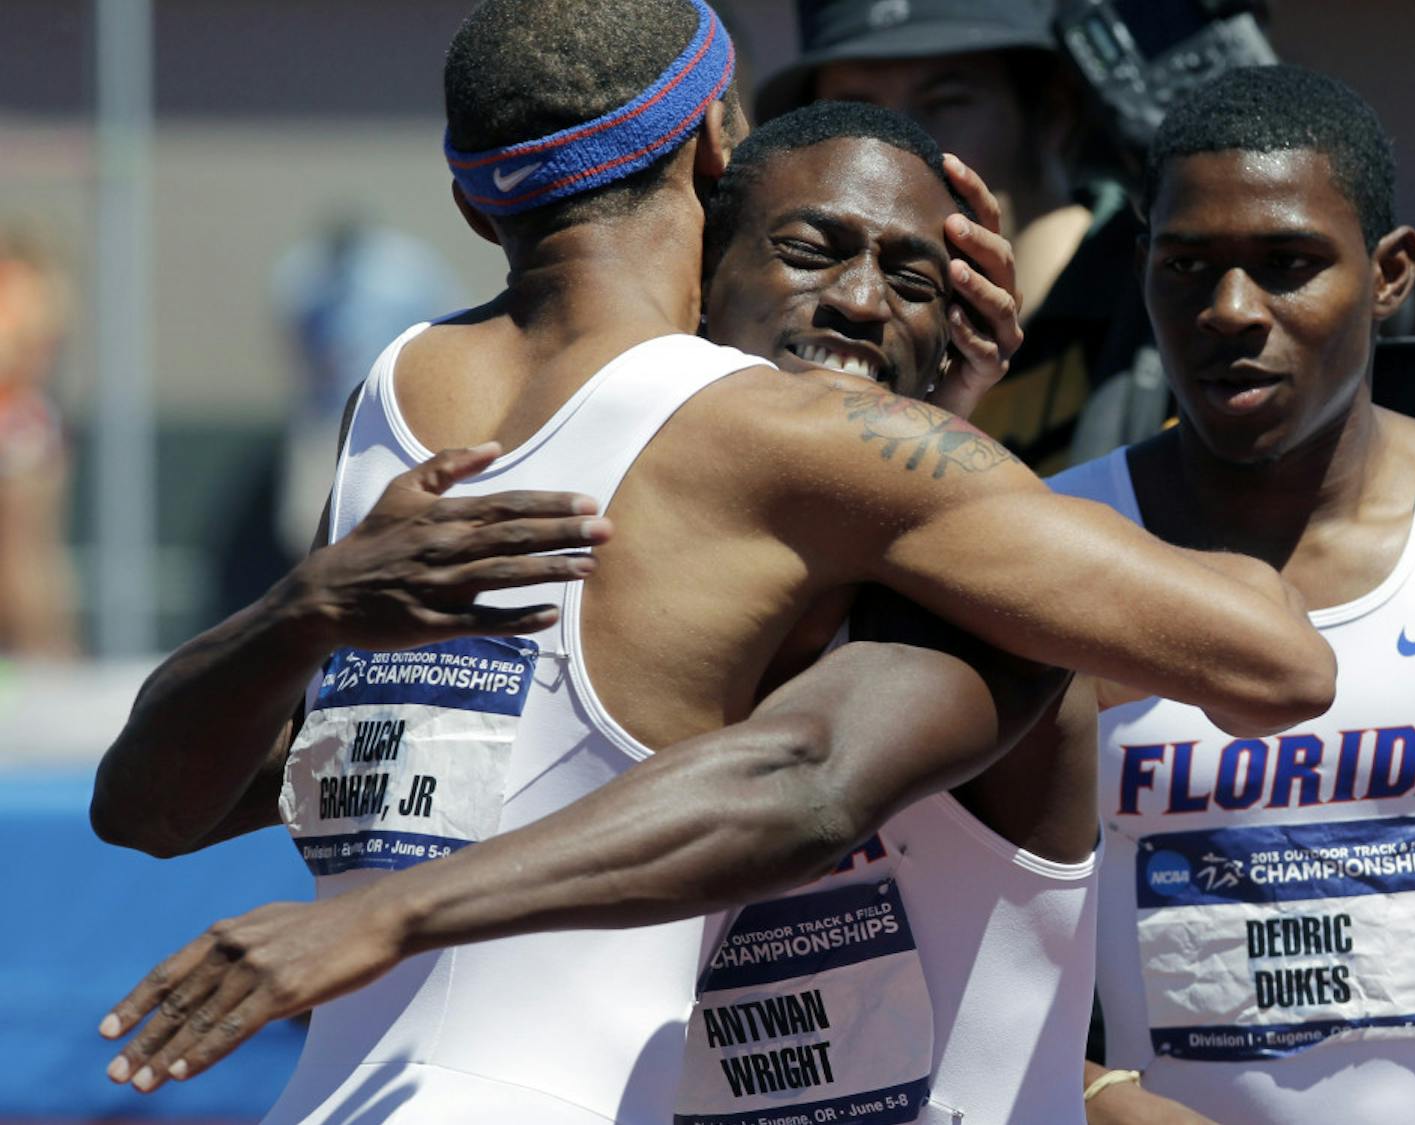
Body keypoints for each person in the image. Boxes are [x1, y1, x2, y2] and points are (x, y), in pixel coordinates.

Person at [91, 2, 1334, 1121]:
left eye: (913, 275)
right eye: (811, 250)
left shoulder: (417, 404)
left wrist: (942, 448)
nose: (859, 301)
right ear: (713, 162)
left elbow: (807, 776)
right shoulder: (628, 438)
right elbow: (153, 810)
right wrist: (303, 617)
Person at [1045, 66, 1415, 1124]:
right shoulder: (1045, 551)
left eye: (1288, 266)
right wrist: (1101, 1098)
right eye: (1188, 267)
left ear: (1389, 274)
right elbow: (927, 930)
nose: (1230, 312)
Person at [755, 0, 1162, 472]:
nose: (901, 145)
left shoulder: (1160, 309)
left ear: (1054, 113)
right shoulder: (816, 331)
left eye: (945, 102)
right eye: (857, 111)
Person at [0, 228, 77, 656]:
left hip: (19, 425)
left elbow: (23, 352)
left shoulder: (30, 287)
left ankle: (45, 655)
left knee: (25, 553)